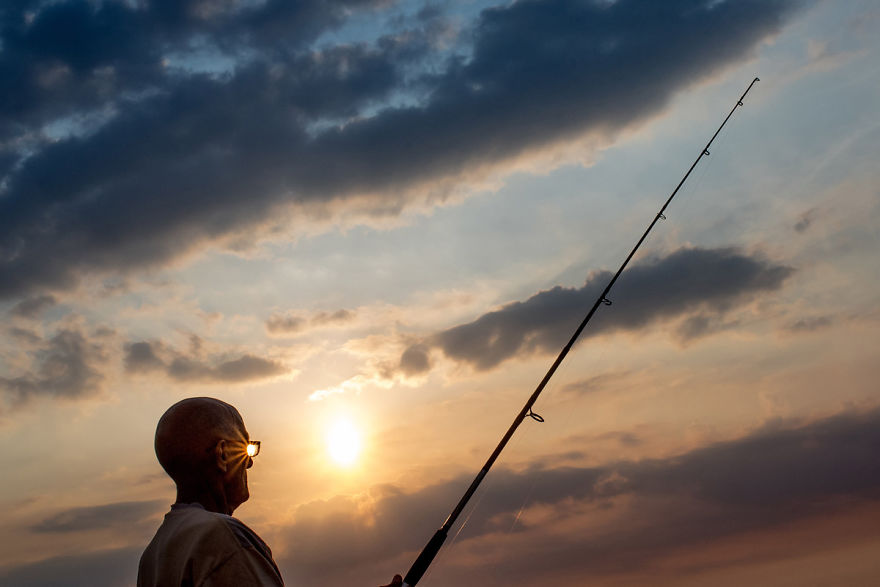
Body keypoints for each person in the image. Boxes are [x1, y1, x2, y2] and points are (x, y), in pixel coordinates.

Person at [138, 397, 402, 587]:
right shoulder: (221, 537)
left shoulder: (154, 555)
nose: (250, 463)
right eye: (245, 448)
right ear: (222, 455)